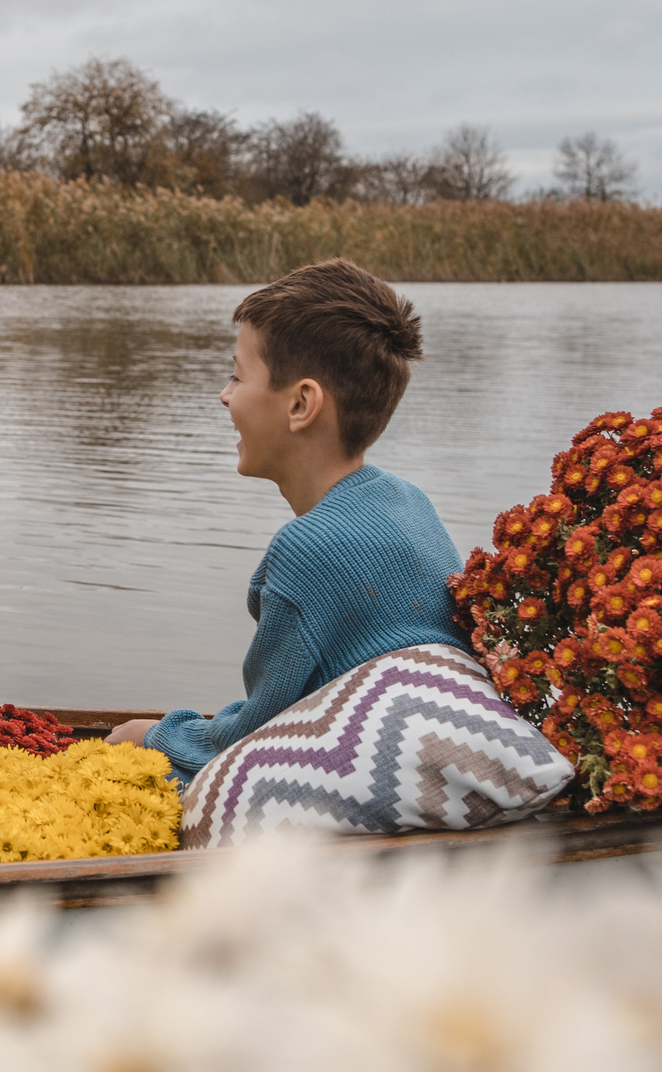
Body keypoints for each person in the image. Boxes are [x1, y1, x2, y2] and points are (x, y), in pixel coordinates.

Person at [107, 258, 464, 784]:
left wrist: (153, 734)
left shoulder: (308, 549)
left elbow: (251, 739)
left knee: (125, 747)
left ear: (301, 404)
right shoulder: (411, 502)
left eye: (236, 375)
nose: (224, 394)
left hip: (369, 782)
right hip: (429, 753)